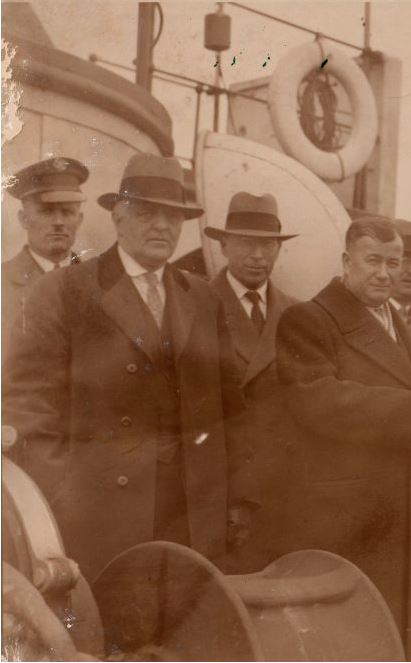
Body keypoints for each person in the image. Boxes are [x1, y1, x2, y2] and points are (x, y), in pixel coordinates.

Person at [2, 153, 246, 581]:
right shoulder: (65, 290)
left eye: (174, 217)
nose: (162, 227)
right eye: (147, 213)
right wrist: (65, 500)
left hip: (190, 513)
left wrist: (234, 498)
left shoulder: (203, 297)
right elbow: (29, 409)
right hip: (103, 518)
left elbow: (231, 409)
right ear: (118, 217)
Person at [276, 215, 411, 661]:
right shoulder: (309, 319)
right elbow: (316, 401)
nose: (385, 273)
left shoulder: (396, 318)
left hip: (406, 512)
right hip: (355, 519)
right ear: (346, 262)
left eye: (393, 262)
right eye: (373, 260)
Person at [205, 192, 299, 572]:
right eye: (246, 243)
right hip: (222, 488)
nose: (258, 255)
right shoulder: (195, 304)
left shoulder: (296, 313)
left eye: (268, 245)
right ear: (225, 245)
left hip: (284, 487)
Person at [2, 156, 88, 355]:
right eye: (46, 211)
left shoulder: (101, 283)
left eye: (67, 212)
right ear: (24, 219)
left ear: (79, 219)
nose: (58, 221)